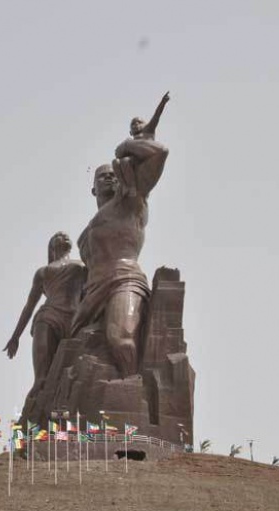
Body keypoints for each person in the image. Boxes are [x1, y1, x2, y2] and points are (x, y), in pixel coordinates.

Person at [72, 117, 169, 378]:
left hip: (123, 279)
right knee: (70, 352)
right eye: (102, 176)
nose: (108, 178)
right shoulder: (85, 234)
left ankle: (130, 387)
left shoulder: (131, 202)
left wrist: (127, 145)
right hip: (91, 292)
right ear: (92, 189)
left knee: (121, 340)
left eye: (113, 175)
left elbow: (160, 153)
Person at [4, 232, 85, 396]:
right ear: (51, 247)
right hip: (48, 317)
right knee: (42, 379)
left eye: (65, 235)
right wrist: (15, 337)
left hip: (75, 319)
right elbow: (29, 306)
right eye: (58, 236)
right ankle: (37, 399)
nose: (64, 236)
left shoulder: (82, 266)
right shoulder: (43, 272)